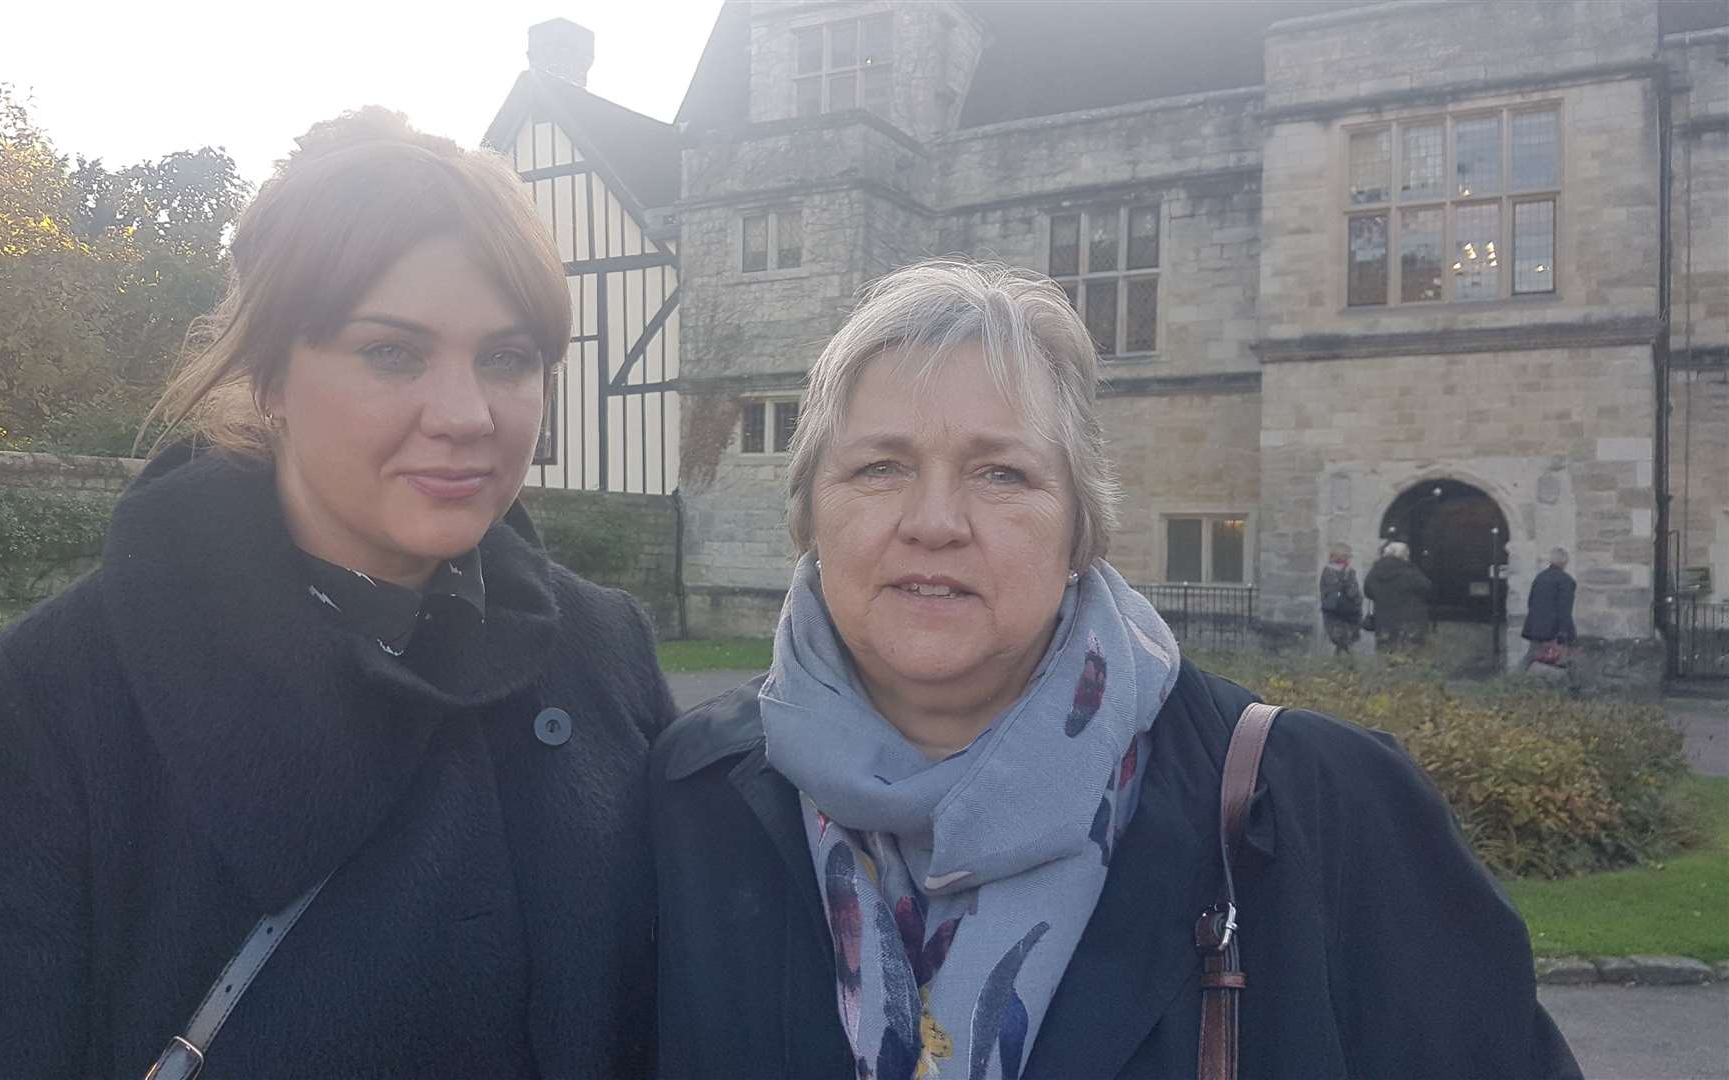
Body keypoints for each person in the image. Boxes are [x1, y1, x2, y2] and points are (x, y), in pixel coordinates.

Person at [0, 109, 673, 1079]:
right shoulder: (49, 704)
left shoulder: (602, 648)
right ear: (269, 373)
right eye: (392, 352)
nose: (467, 415)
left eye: (508, 356)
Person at [650, 260, 1578, 1080]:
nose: (935, 520)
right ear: (811, 511)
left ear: (1080, 529)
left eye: (1002, 474)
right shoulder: (695, 796)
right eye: (881, 467)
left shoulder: (1313, 807)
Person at [1521, 548, 1580, 685]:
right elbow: (1565, 609)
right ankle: (1571, 689)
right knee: (1567, 658)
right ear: (1565, 562)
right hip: (1555, 628)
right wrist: (1563, 632)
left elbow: (1531, 602)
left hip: (1536, 626)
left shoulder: (1540, 577)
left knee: (1532, 655)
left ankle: (1517, 681)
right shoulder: (1566, 581)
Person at [1364, 539, 1433, 653]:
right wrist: (1412, 566)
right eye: (1407, 554)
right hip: (1409, 624)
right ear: (1403, 555)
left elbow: (1368, 591)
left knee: (1386, 657)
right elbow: (1427, 587)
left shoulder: (1375, 571)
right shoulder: (1409, 572)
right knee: (1408, 661)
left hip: (1384, 622)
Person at [1319, 542, 1363, 655]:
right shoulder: (1348, 572)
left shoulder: (1326, 571)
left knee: (1339, 644)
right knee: (1346, 644)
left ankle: (1338, 667)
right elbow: (1352, 593)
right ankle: (1348, 668)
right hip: (1347, 613)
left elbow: (1325, 592)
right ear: (1345, 556)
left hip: (1331, 612)